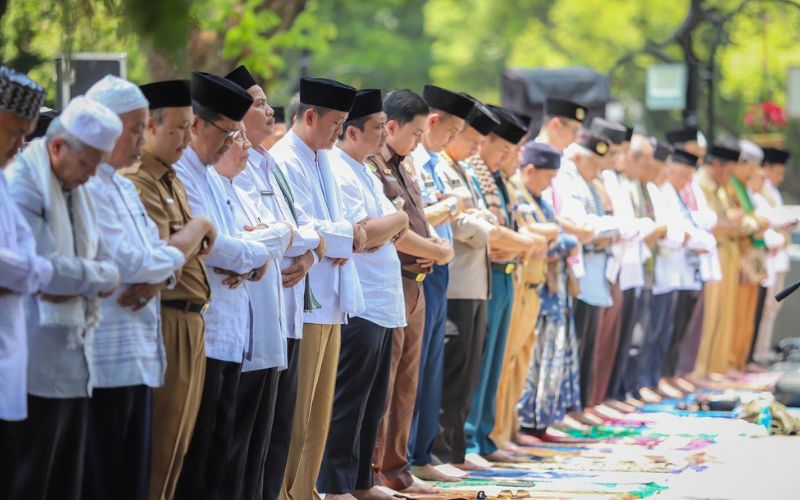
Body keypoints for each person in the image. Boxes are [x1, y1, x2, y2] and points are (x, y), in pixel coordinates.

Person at [5, 96, 122, 500]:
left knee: (66, 483)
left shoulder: (76, 185)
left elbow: (108, 265)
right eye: (88, 164)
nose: (92, 176)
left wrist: (81, 275)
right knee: (30, 480)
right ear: (57, 147)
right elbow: (42, 269)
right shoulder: (23, 181)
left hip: (76, 358)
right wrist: (91, 276)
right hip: (32, 364)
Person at [82, 75, 187, 500]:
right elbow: (134, 261)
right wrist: (194, 235)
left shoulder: (123, 187)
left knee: (132, 473)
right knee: (101, 475)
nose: (141, 139)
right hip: (103, 355)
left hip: (140, 351)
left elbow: (157, 259)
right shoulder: (87, 186)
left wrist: (165, 263)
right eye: (133, 128)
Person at [172, 71, 274, 500]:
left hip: (232, 327)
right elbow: (217, 246)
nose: (232, 143)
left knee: (220, 446)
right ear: (198, 125)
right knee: (195, 453)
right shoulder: (184, 173)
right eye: (227, 133)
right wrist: (252, 254)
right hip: (203, 327)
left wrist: (248, 254)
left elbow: (234, 240)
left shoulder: (214, 176)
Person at [226, 71, 324, 500]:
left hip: (289, 308)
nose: (270, 111)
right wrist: (293, 237)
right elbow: (268, 234)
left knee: (276, 429)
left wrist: (307, 252)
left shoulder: (266, 161)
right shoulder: (235, 168)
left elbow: (304, 231)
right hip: (255, 314)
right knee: (242, 437)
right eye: (259, 104)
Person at [121, 79, 217, 500]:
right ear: (150, 127)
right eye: (177, 128)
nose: (185, 138)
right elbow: (164, 257)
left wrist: (193, 235)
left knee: (179, 443)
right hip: (166, 318)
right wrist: (199, 229)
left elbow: (192, 246)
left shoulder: (172, 178)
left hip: (193, 320)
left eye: (189, 128)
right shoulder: (139, 179)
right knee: (160, 443)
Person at [270, 77, 366, 500]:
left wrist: (339, 237)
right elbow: (306, 228)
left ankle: (306, 491)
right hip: (303, 300)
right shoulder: (284, 159)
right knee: (298, 411)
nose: (340, 131)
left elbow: (335, 228)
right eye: (336, 122)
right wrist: (344, 237)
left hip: (333, 295)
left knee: (320, 413)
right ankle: (288, 492)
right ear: (310, 116)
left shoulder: (323, 157)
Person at [319, 88, 410, 500]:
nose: (380, 137)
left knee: (374, 401)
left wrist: (390, 225)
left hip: (384, 297)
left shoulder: (366, 171)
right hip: (361, 299)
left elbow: (386, 231)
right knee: (349, 399)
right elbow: (366, 234)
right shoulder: (340, 169)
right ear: (351, 133)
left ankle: (361, 480)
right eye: (375, 129)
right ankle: (334, 484)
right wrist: (396, 220)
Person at [368, 89, 454, 493]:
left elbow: (417, 219)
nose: (419, 141)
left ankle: (397, 470)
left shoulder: (405, 166)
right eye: (415, 133)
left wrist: (436, 246)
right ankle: (372, 471)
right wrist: (435, 250)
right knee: (383, 385)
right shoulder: (373, 166)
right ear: (391, 126)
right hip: (394, 280)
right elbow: (394, 231)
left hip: (417, 285)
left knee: (407, 383)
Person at [464, 105, 544, 462]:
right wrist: (525, 243)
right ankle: (470, 441)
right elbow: (496, 239)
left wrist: (518, 241)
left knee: (499, 362)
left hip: (509, 274)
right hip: (488, 275)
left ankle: (487, 435)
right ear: (486, 143)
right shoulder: (476, 173)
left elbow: (510, 232)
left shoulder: (500, 181)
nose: (510, 156)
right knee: (479, 365)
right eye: (505, 148)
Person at [407, 84, 475, 482]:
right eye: (451, 132)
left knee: (430, 366)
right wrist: (451, 205)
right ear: (432, 122)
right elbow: (420, 215)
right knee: (414, 368)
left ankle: (423, 452)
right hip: (422, 266)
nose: (452, 141)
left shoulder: (431, 162)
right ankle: (408, 454)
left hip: (440, 269)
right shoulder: (412, 161)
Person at [0, 65, 52, 495]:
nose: (20, 145)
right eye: (15, 132)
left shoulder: (3, 176)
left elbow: (29, 260)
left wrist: (28, 271)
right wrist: (30, 271)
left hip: (13, 358)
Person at [515, 141, 582, 436]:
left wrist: (556, 238)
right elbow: (549, 240)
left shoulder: (540, 201)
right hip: (533, 289)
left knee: (548, 361)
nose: (551, 182)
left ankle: (541, 420)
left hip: (551, 289)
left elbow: (558, 239)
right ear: (530, 170)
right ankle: (525, 423)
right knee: (528, 364)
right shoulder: (521, 197)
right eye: (549, 176)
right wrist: (557, 238)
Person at [550, 131, 615, 411]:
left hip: (594, 264)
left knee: (587, 340)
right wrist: (591, 232)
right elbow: (572, 222)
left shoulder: (591, 181)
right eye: (594, 162)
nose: (598, 168)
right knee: (574, 341)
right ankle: (571, 407)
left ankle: (582, 404)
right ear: (577, 157)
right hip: (576, 263)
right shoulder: (568, 177)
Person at [692, 144, 742, 376]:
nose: (730, 177)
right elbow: (715, 221)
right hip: (712, 252)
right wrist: (731, 223)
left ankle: (715, 368)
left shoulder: (722, 187)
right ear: (717, 165)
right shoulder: (701, 183)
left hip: (725, 251)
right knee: (708, 315)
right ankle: (700, 370)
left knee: (722, 314)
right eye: (729, 171)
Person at [751, 147, 793, 363]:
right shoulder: (758, 193)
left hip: (778, 258)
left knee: (771, 309)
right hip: (766, 256)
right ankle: (756, 353)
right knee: (762, 310)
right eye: (777, 171)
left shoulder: (771, 193)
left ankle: (762, 350)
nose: (780, 177)